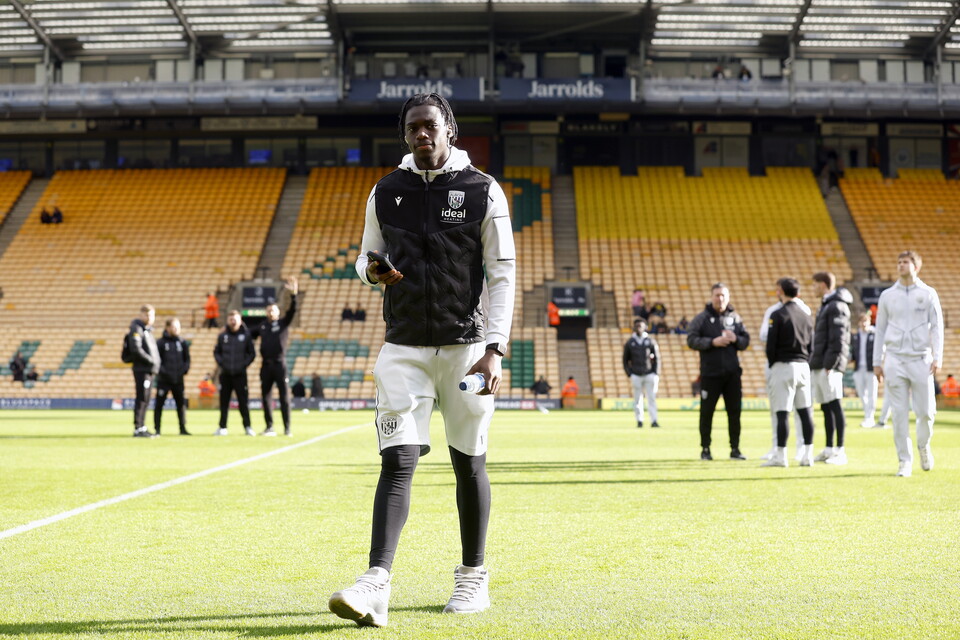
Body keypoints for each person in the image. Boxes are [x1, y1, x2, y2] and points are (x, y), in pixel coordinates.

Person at [329, 92, 516, 627]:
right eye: (413, 128)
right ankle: (375, 584)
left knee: (468, 461)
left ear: (449, 129)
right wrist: (373, 271)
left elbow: (502, 275)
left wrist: (495, 349)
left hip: (466, 350)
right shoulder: (386, 190)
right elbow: (363, 257)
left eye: (430, 125)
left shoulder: (483, 190)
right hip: (403, 346)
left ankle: (473, 577)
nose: (421, 135)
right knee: (398, 461)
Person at [873, 251, 943, 477]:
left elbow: (936, 327)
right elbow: (880, 329)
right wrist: (877, 361)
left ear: (916, 267)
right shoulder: (887, 295)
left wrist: (937, 356)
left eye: (906, 262)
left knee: (926, 413)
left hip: (921, 358)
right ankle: (904, 460)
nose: (901, 265)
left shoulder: (928, 293)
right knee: (899, 413)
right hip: (894, 359)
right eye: (899, 261)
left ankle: (923, 446)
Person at [687, 283, 750, 461]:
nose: (720, 299)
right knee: (707, 412)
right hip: (710, 374)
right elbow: (691, 340)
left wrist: (736, 338)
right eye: (716, 295)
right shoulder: (702, 318)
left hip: (732, 375)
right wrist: (712, 342)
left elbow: (746, 341)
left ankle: (735, 449)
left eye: (723, 295)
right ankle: (705, 448)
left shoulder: (736, 319)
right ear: (711, 297)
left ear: (728, 297)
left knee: (734, 412)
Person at [761, 278, 816, 468]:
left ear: (781, 291)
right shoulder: (806, 315)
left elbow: (771, 345)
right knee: (805, 411)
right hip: (803, 366)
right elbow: (811, 346)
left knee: (782, 412)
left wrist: (774, 362)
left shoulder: (777, 314)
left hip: (783, 366)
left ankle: (781, 455)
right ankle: (808, 454)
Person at [809, 272, 853, 465]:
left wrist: (831, 364)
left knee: (835, 404)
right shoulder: (827, 305)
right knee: (826, 406)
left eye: (815, 285)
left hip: (829, 365)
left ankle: (840, 450)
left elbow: (839, 338)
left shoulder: (837, 306)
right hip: (820, 363)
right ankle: (829, 448)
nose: (813, 288)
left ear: (824, 285)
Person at [250, 277, 298, 436]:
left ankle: (287, 428)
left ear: (278, 312)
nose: (271, 312)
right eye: (269, 310)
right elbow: (248, 335)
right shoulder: (262, 326)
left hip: (279, 365)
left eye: (273, 310)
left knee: (284, 397)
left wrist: (293, 296)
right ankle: (269, 427)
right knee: (266, 397)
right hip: (265, 366)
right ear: (266, 312)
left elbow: (292, 311)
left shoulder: (283, 323)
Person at [213, 310, 256, 436]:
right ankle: (222, 427)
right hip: (225, 374)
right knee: (224, 402)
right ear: (228, 320)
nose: (233, 321)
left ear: (240, 320)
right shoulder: (222, 336)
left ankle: (247, 427)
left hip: (240, 375)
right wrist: (222, 363)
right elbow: (216, 352)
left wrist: (243, 365)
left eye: (235, 319)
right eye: (231, 318)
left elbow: (252, 354)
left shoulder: (246, 335)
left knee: (243, 402)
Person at [154, 317, 191, 436]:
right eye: (174, 327)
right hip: (164, 380)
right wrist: (164, 372)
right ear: (168, 328)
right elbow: (157, 361)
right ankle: (157, 429)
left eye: (178, 327)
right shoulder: (160, 343)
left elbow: (187, 360)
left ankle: (182, 428)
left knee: (181, 405)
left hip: (178, 379)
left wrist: (183, 371)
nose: (176, 329)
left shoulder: (182, 342)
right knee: (159, 405)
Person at [128, 304, 160, 438]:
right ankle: (138, 428)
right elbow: (136, 348)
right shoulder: (137, 328)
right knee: (142, 398)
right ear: (141, 315)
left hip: (148, 370)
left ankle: (142, 426)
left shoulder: (147, 330)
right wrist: (151, 361)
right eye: (147, 315)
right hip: (142, 369)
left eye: (151, 315)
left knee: (145, 399)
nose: (149, 317)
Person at [623, 318, 661, 428]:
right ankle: (639, 420)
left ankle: (654, 420)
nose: (639, 328)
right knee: (637, 399)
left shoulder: (650, 341)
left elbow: (657, 358)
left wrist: (656, 373)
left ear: (645, 327)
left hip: (649, 374)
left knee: (651, 398)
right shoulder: (630, 342)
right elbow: (625, 360)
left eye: (641, 325)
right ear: (634, 327)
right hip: (636, 374)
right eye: (637, 326)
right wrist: (630, 373)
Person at [850, 312, 878, 428]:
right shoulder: (855, 336)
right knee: (862, 393)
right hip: (859, 368)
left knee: (872, 393)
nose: (864, 324)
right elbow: (853, 352)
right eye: (862, 321)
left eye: (866, 321)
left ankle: (870, 417)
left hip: (870, 368)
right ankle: (867, 415)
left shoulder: (874, 334)